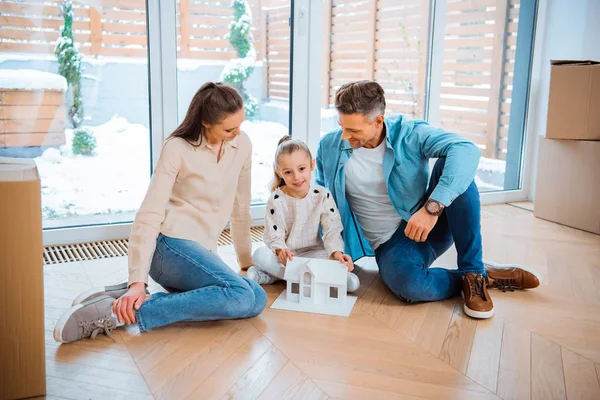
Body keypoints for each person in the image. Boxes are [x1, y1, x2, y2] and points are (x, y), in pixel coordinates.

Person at [54, 82, 267, 343]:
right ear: (205, 122)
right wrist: (138, 282)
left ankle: (124, 297)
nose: (238, 133)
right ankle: (120, 312)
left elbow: (241, 208)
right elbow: (149, 214)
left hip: (201, 254)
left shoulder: (242, 144)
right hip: (170, 246)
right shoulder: (177, 148)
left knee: (256, 298)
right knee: (241, 296)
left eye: (240, 125)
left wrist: (245, 262)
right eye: (229, 129)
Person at [315, 80, 541, 319]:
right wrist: (326, 248)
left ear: (378, 121)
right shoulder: (329, 147)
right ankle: (479, 277)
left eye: (354, 130)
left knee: (455, 167)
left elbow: (467, 149)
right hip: (390, 244)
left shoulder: (410, 133)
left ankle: (473, 272)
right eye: (342, 126)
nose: (344, 136)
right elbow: (322, 202)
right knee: (409, 286)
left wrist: (431, 209)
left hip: (428, 224)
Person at [247, 136, 360, 292]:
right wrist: (281, 251)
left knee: (334, 265)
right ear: (279, 172)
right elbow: (274, 234)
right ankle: (324, 278)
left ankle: (274, 276)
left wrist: (336, 254)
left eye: (301, 169)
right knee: (259, 254)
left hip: (314, 253)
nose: (296, 177)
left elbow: (332, 230)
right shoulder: (276, 199)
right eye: (288, 172)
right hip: (287, 256)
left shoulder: (322, 195)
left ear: (312, 164)